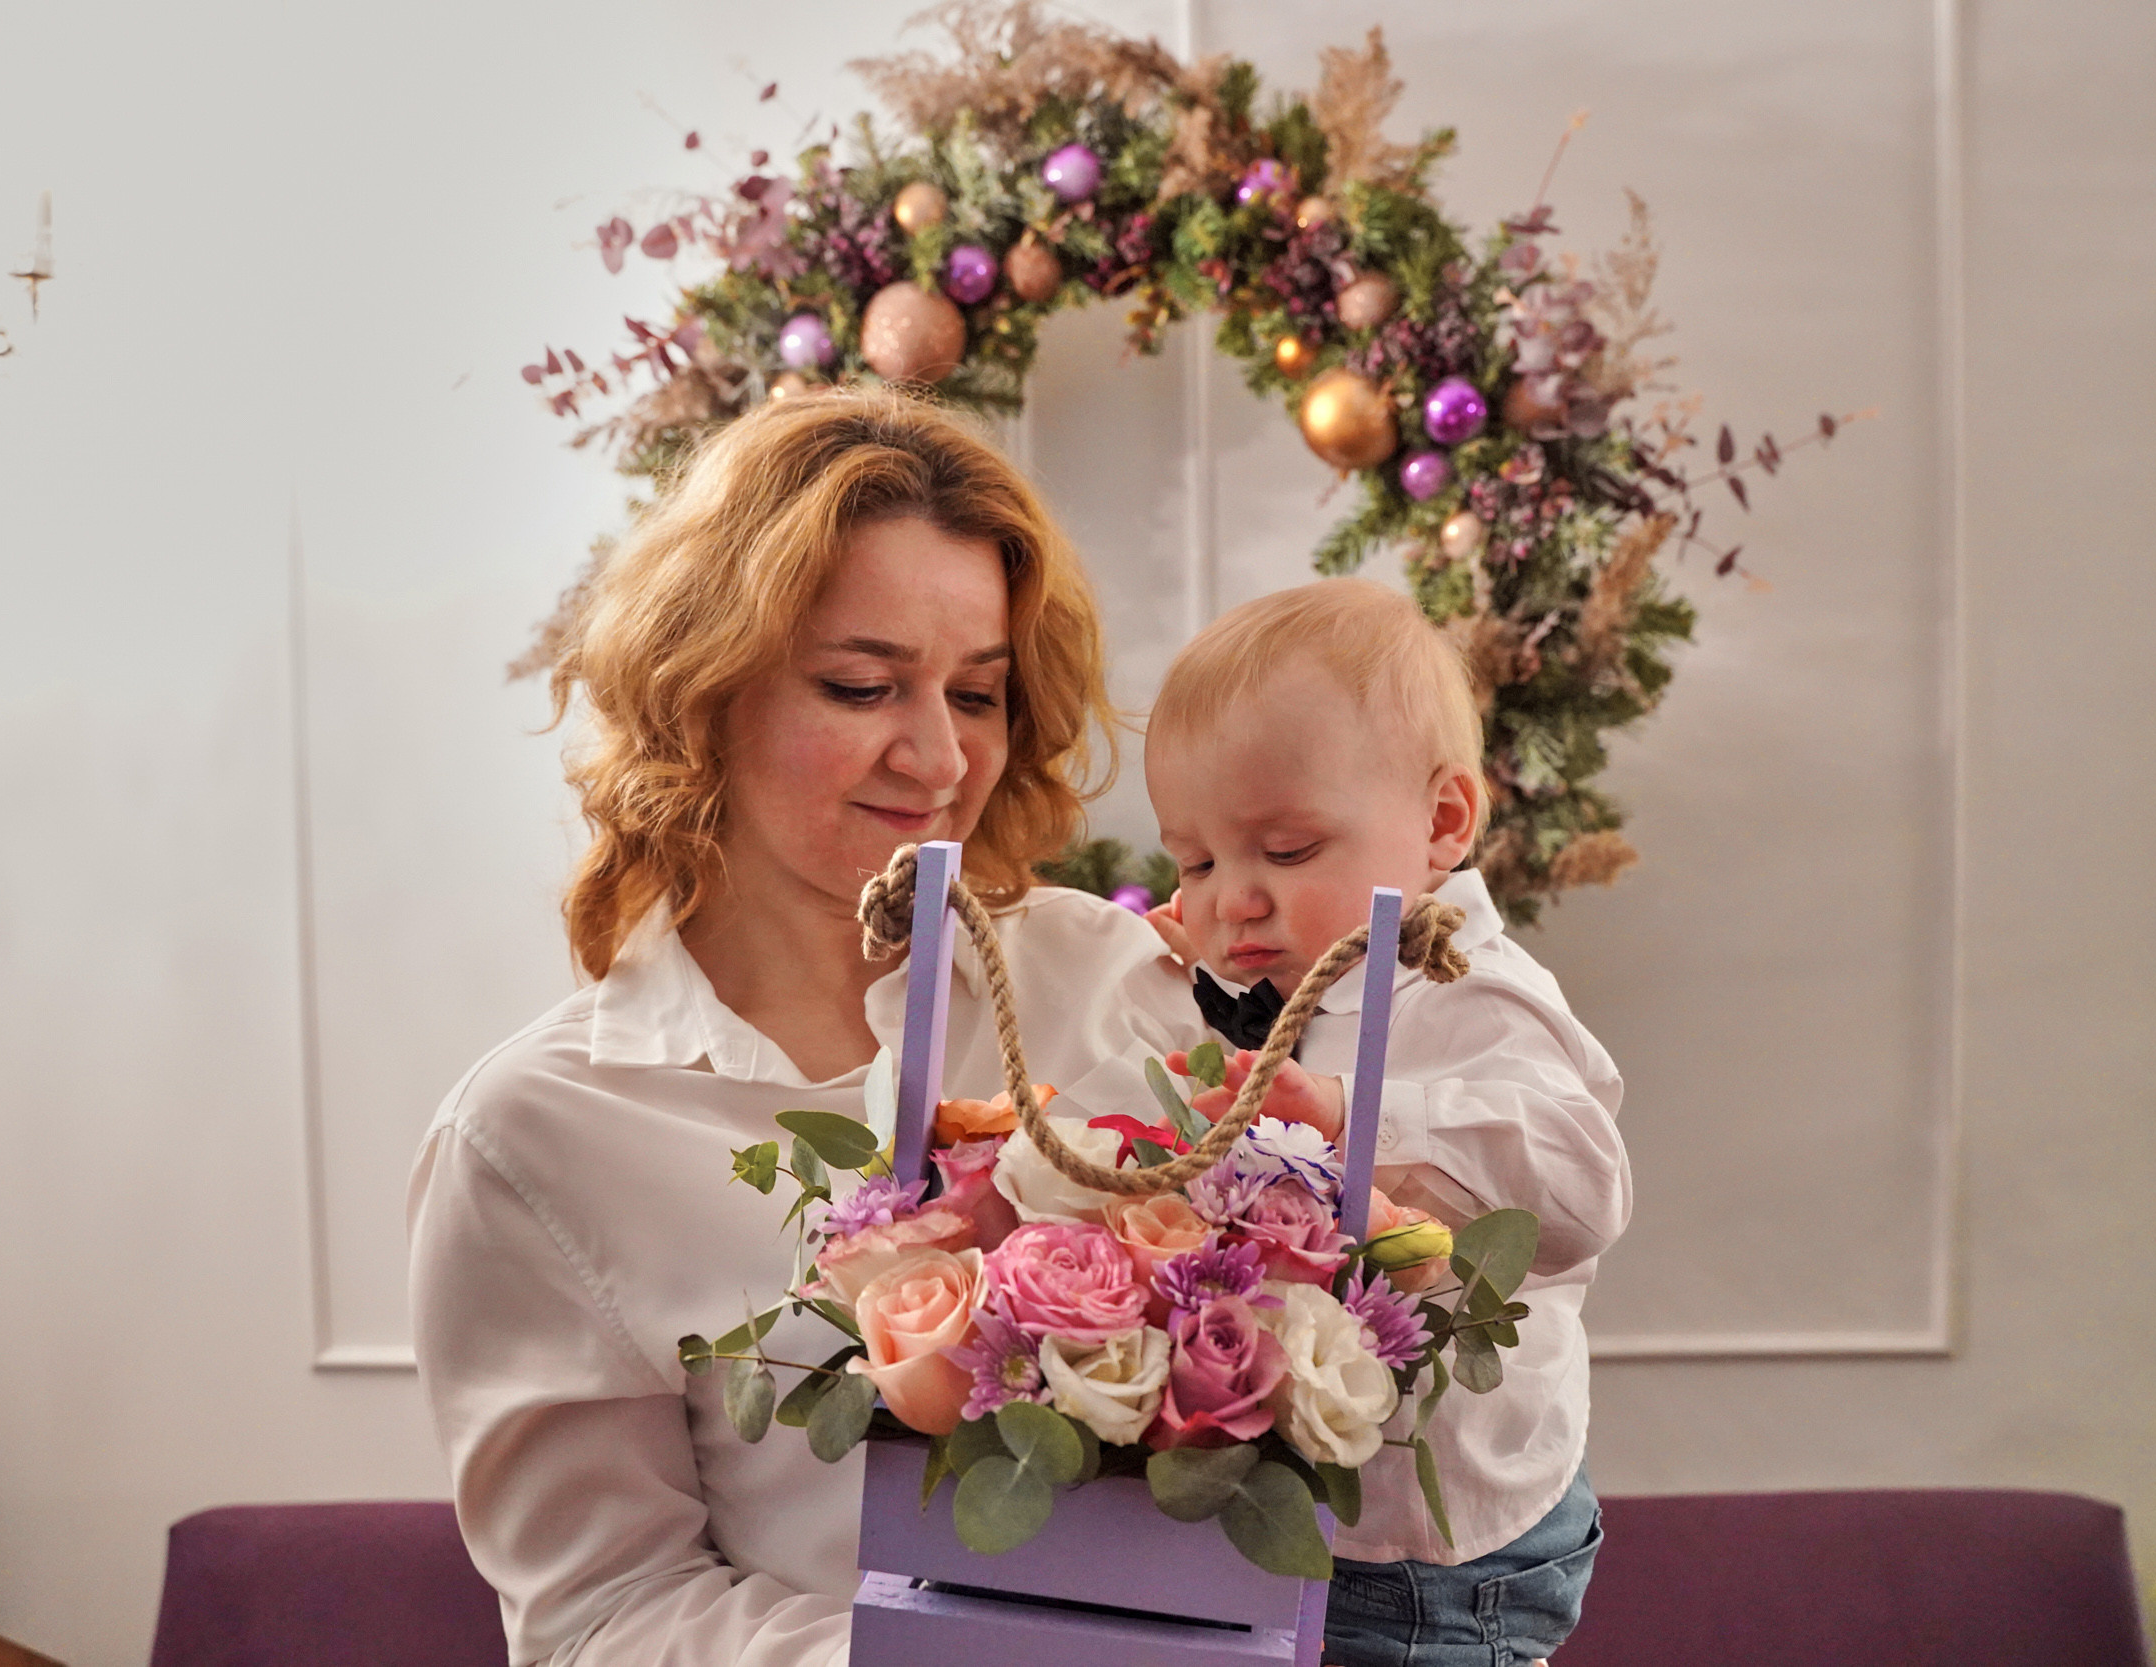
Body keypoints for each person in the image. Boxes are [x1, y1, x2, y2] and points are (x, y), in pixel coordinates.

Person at [407, 389, 1187, 1666]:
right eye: (862, 684)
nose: (938, 757)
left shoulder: (1114, 976)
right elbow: (602, 1612)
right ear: (700, 690)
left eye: (979, 696)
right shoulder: (532, 1136)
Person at [1140, 577, 1630, 1667]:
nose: (1237, 899)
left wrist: (1359, 1117)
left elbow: (1582, 1188)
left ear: (1442, 823)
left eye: (1287, 848)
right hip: (1328, 1525)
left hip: (1436, 1563)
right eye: (1199, 860)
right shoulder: (1303, 990)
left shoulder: (1473, 990)